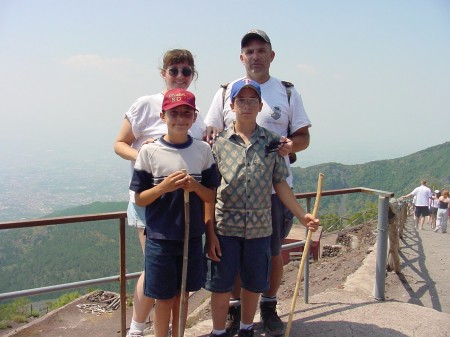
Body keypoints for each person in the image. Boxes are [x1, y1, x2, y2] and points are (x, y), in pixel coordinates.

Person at [204, 29, 311, 336]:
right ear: (242, 57)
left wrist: (291, 147)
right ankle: (234, 314)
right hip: (229, 206)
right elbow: (211, 133)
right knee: (231, 262)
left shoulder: (287, 92)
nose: (255, 56)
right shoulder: (224, 92)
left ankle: (267, 306)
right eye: (249, 51)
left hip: (271, 195)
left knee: (270, 252)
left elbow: (303, 136)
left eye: (261, 50)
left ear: (271, 55)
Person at [113, 49, 205, 337]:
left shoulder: (194, 111)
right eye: (174, 70)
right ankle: (138, 329)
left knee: (170, 274)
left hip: (185, 205)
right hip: (149, 199)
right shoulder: (145, 104)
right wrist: (147, 156)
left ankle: (158, 330)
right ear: (163, 73)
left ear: (193, 75)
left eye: (186, 71)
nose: (180, 76)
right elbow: (119, 143)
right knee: (155, 268)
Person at [130, 89, 219, 337]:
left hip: (191, 238)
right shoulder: (149, 152)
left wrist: (195, 186)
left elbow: (211, 195)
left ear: (193, 116)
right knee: (164, 299)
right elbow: (140, 198)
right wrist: (164, 187)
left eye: (186, 113)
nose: (180, 118)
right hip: (160, 238)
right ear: (163, 115)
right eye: (174, 113)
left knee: (182, 298)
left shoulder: (202, 151)